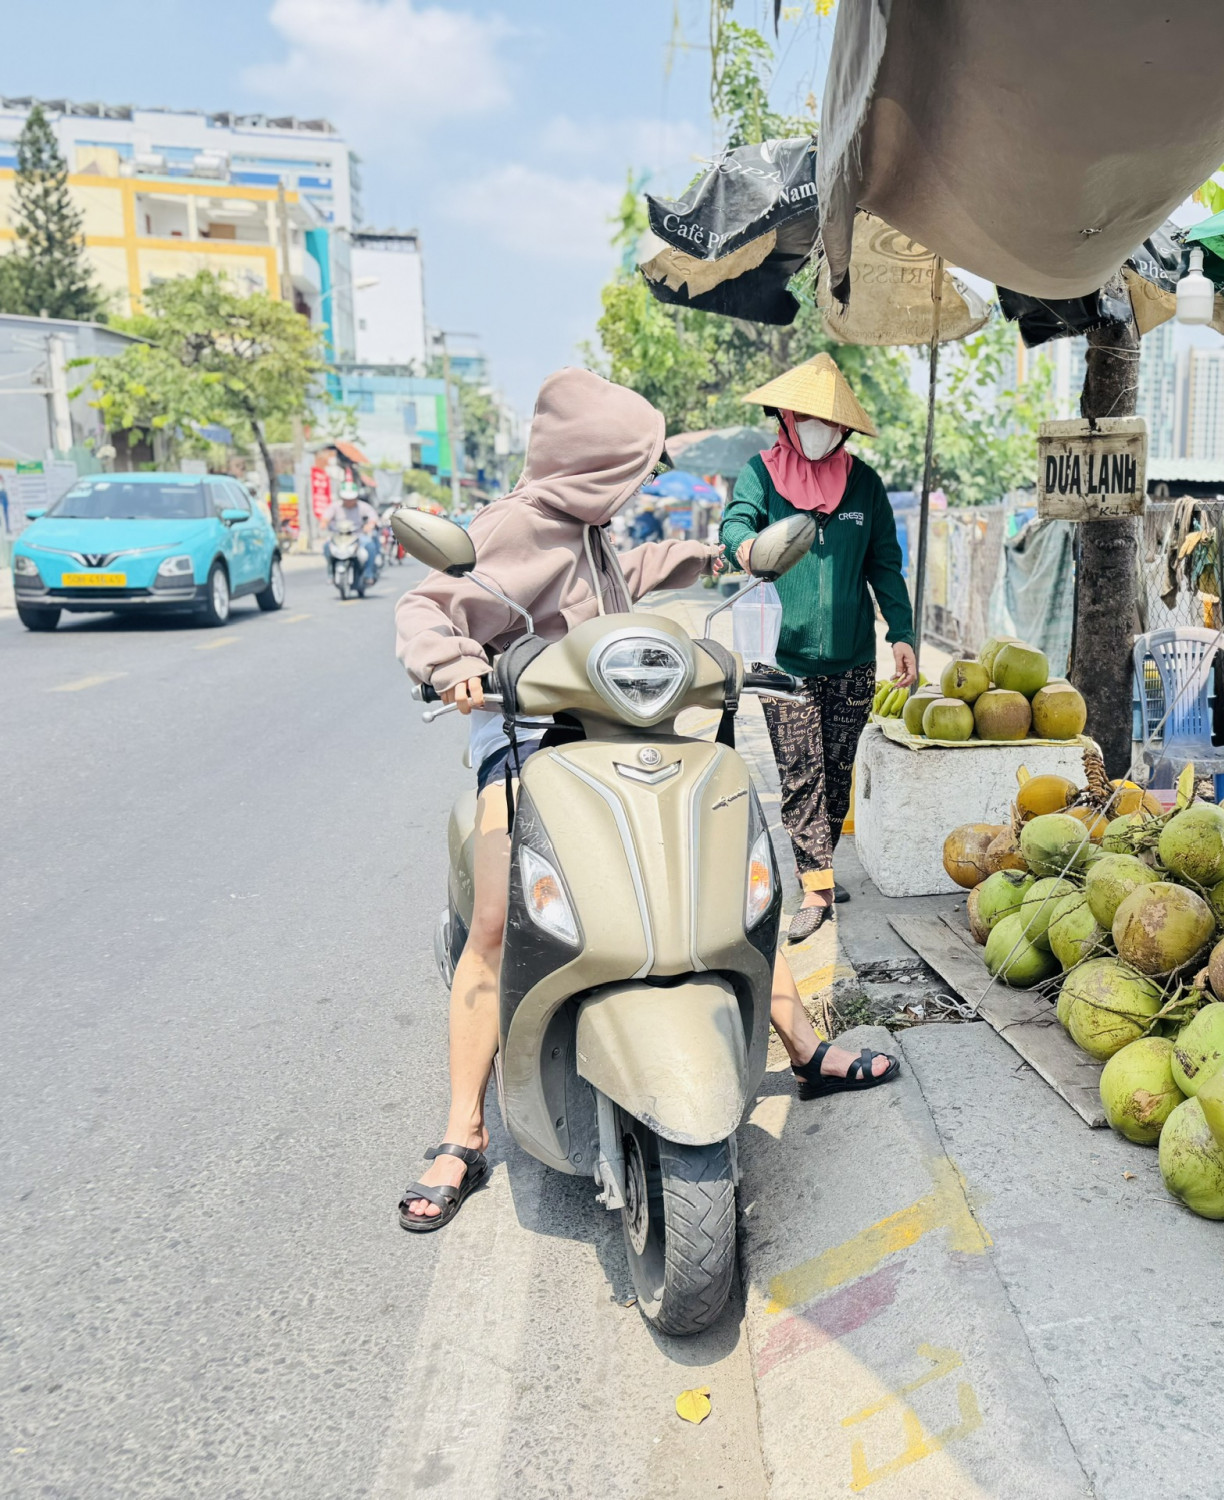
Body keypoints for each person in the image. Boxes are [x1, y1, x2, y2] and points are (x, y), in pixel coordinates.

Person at [391, 367, 899, 1232]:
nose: (640, 483)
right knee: (490, 923)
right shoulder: (511, 526)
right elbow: (425, 605)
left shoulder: (592, 528)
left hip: (624, 732)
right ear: (589, 463)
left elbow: (621, 577)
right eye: (630, 465)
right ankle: (462, 1132)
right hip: (525, 743)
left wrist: (717, 555)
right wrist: (455, 665)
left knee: (729, 886)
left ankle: (803, 1049)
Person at [720, 353, 917, 945]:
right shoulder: (760, 473)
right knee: (800, 771)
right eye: (804, 415)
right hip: (782, 658)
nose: (815, 427)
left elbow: (885, 564)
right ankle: (815, 889)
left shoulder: (864, 484)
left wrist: (902, 633)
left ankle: (820, 868)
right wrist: (745, 547)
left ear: (844, 429)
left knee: (836, 771)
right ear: (784, 416)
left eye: (827, 420)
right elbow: (735, 524)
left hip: (854, 655)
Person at [325, 481, 382, 580]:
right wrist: (324, 523)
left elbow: (373, 517)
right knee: (326, 546)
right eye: (346, 498)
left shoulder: (363, 506)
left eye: (351, 498)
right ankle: (331, 572)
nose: (349, 501)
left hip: (358, 536)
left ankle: (368, 575)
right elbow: (325, 518)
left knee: (370, 546)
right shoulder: (335, 506)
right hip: (340, 537)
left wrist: (370, 524)